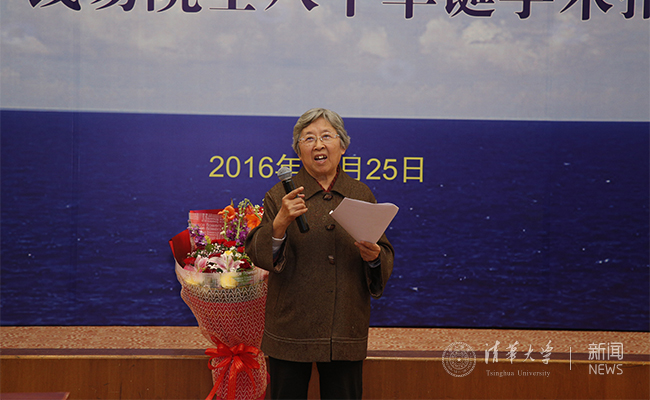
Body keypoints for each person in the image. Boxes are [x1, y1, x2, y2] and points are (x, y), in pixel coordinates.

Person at [245, 108, 394, 399]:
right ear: (298, 150)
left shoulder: (361, 194)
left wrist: (374, 257)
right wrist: (279, 225)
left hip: (345, 326)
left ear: (343, 146)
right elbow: (259, 255)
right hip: (290, 327)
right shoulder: (280, 196)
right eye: (309, 138)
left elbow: (383, 253)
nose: (318, 145)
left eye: (327, 136)